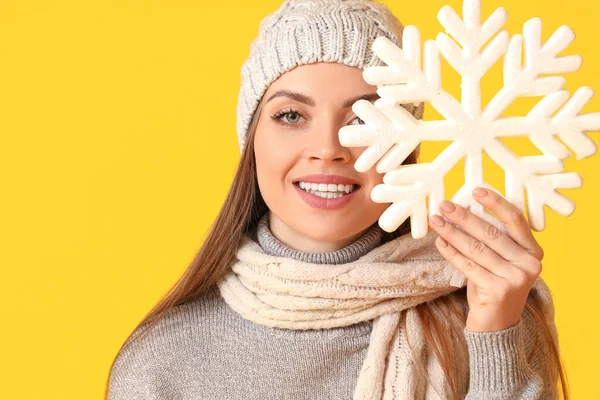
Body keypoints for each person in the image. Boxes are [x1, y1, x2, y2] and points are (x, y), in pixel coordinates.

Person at [105, 0, 569, 399]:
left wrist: (496, 336)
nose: (329, 146)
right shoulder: (162, 363)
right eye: (291, 115)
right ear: (252, 141)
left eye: (365, 119)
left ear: (408, 146)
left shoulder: (488, 313)